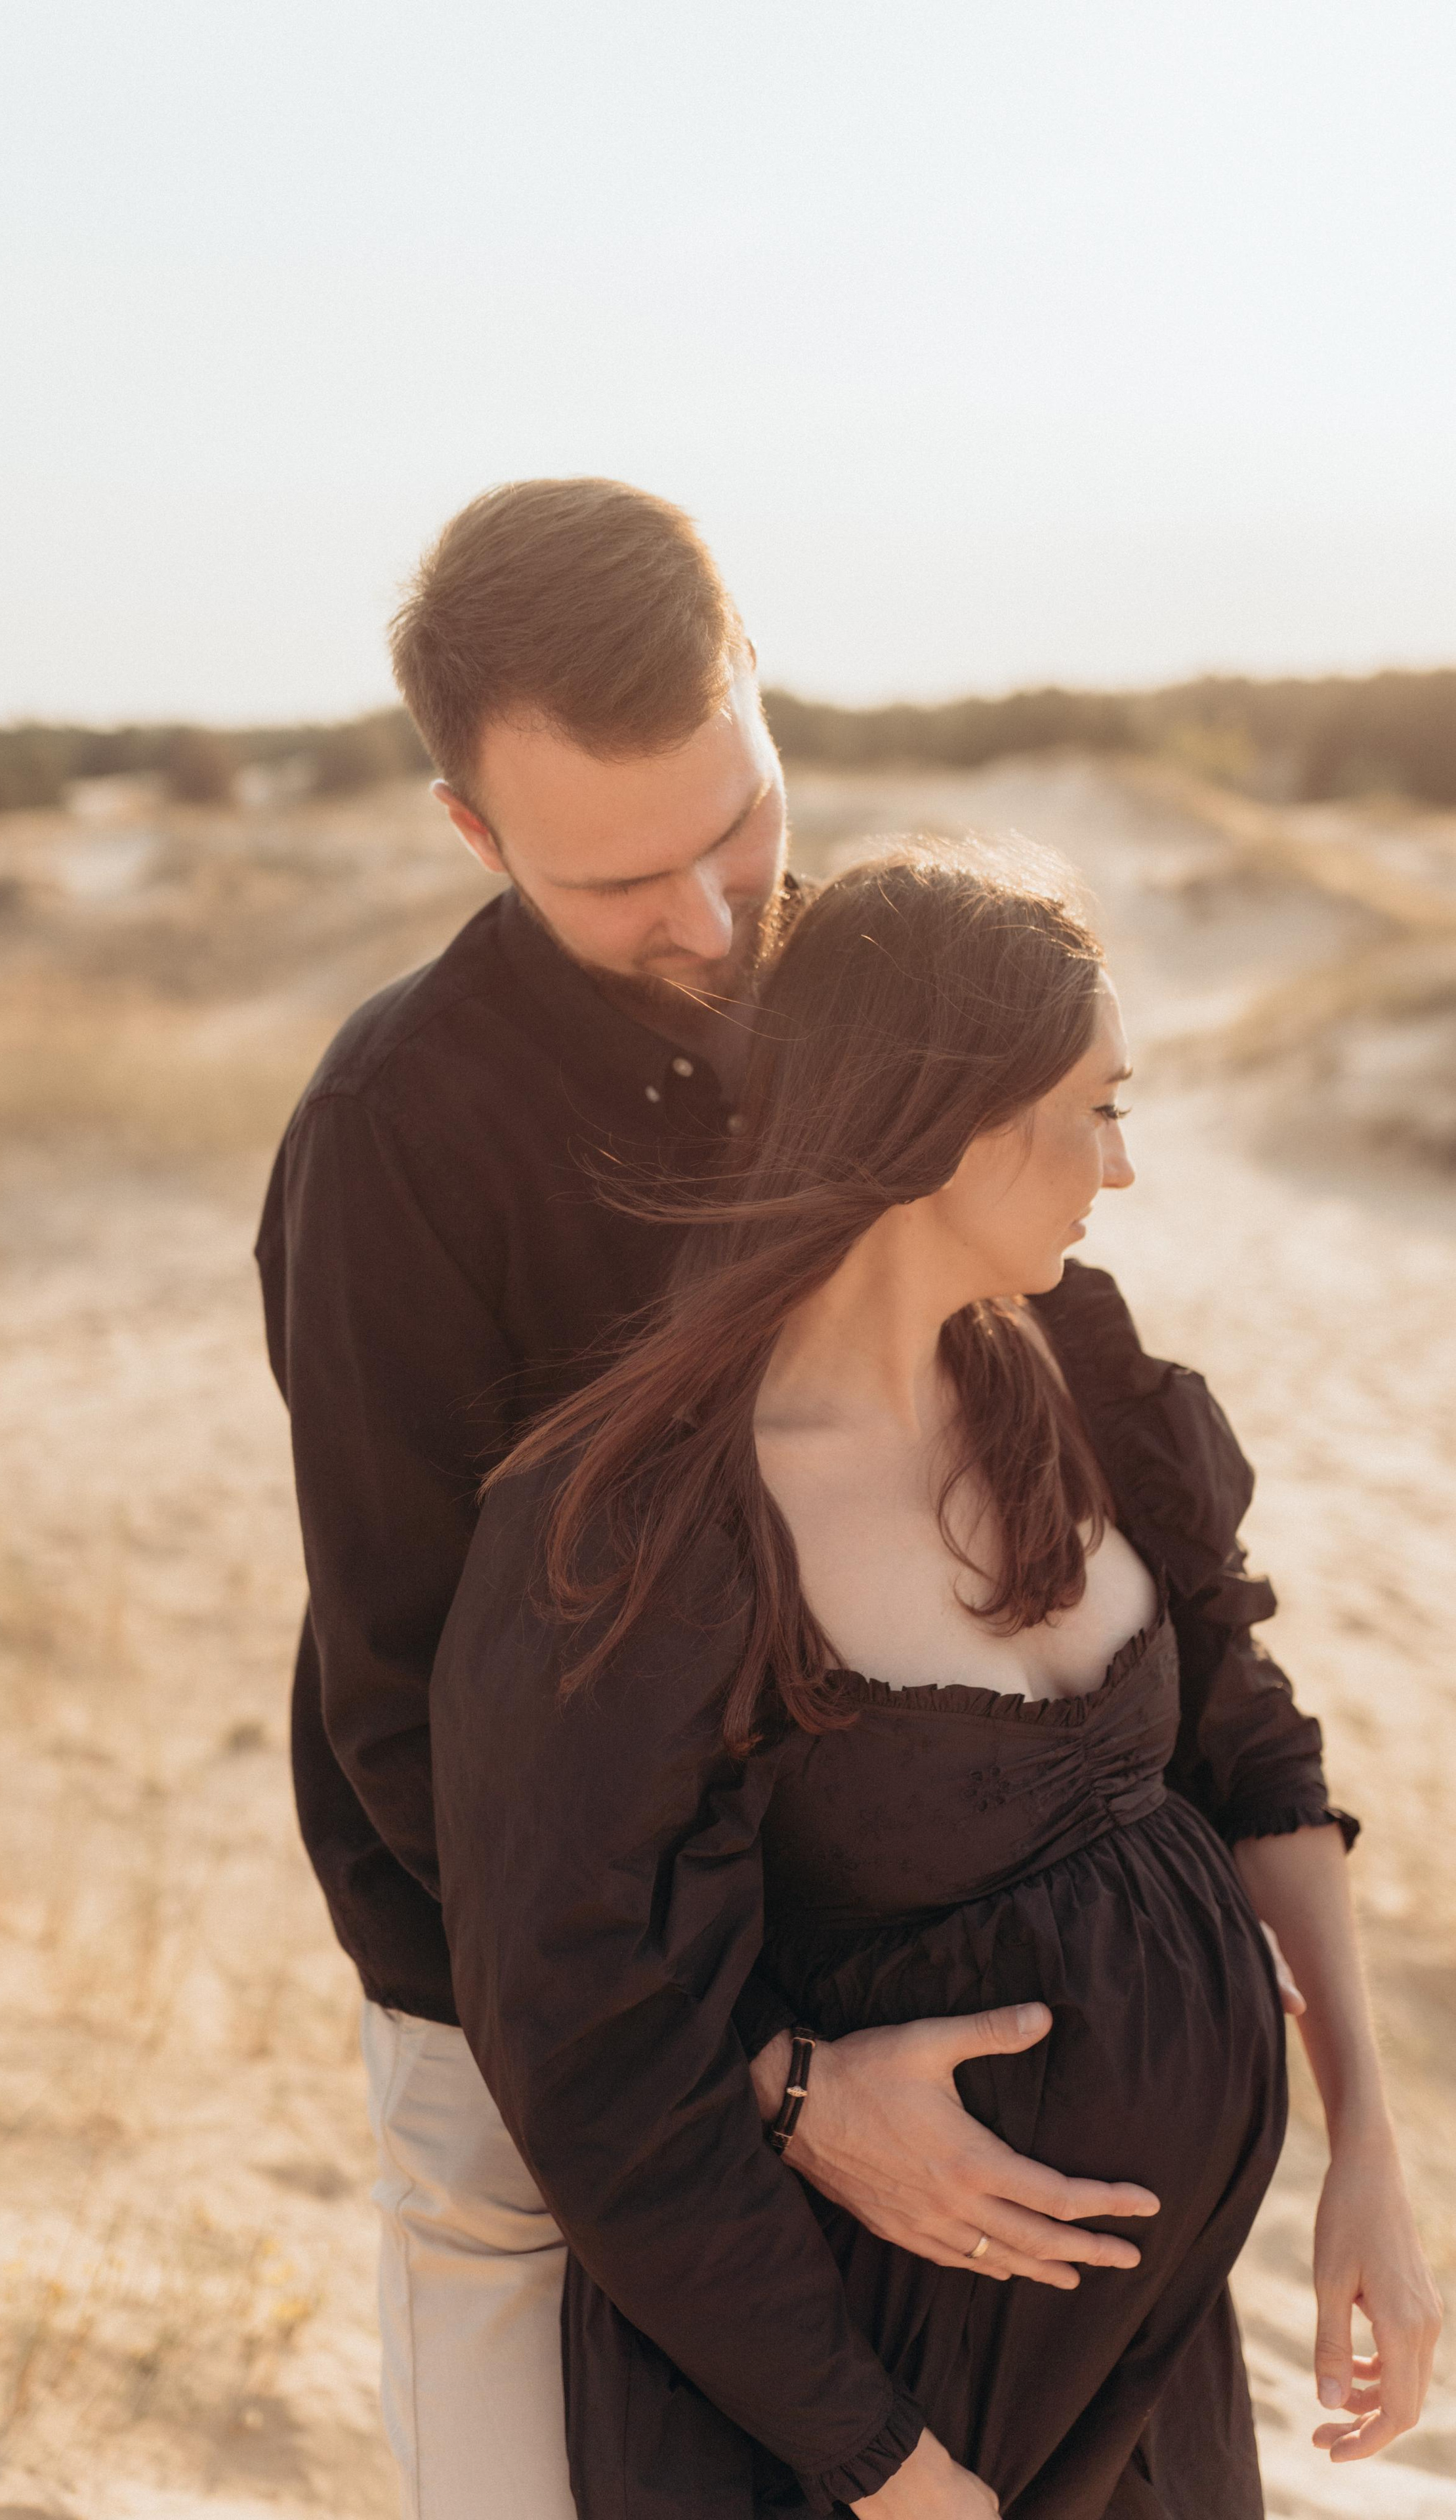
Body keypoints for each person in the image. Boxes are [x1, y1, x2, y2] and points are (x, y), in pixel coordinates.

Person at [255, 482, 1179, 2520]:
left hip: (874, 1963)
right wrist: (764, 2083)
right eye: (615, 880)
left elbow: (1048, 1368)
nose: (705, 917)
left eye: (735, 824)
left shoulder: (852, 985)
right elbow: (415, 1716)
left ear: (759, 691)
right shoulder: (392, 1139)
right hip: (517, 2012)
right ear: (471, 834)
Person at [430, 850, 1442, 2518]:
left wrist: (1368, 2166)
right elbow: (589, 2045)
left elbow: (1248, 1746)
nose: (1118, 1170)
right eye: (1093, 1110)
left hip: (1147, 2358)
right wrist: (895, 2477)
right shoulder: (651, 1516)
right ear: (950, 1120)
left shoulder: (1071, 1364)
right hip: (864, 2422)